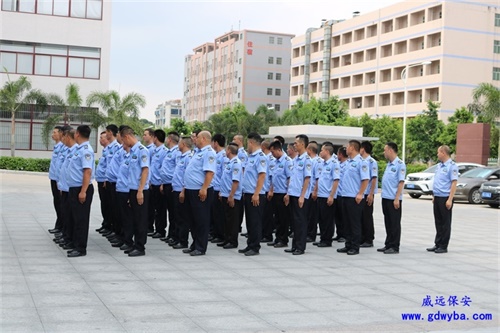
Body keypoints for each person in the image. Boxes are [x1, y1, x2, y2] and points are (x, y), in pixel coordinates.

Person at [181, 131, 216, 256]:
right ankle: (194, 244)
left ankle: (200, 247)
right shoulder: (197, 152)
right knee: (193, 220)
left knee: (201, 220)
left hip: (201, 190)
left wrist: (204, 188)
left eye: (197, 138)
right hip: (191, 189)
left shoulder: (209, 153)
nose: (194, 139)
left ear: (204, 138)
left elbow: (210, 173)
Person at [120, 127, 150, 257]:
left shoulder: (142, 151)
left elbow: (145, 171)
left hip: (140, 190)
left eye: (122, 140)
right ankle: (134, 244)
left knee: (140, 219)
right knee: (132, 219)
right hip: (132, 190)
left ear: (126, 137)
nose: (123, 144)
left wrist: (140, 190)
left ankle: (140, 247)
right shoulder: (133, 151)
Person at [66, 125, 95, 257]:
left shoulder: (86, 150)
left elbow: (87, 171)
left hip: (81, 188)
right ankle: (74, 243)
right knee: (74, 218)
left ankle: (80, 248)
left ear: (77, 134)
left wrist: (83, 191)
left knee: (81, 219)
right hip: (74, 187)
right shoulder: (79, 149)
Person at [337, 140, 369, 256]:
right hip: (345, 196)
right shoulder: (349, 162)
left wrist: (360, 194)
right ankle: (348, 244)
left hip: (354, 197)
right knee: (346, 223)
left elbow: (365, 179)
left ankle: (355, 247)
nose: (346, 149)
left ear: (353, 148)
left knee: (354, 223)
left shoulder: (361, 162)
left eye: (347, 147)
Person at [238, 132, 267, 256]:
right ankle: (250, 244)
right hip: (249, 193)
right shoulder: (252, 157)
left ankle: (255, 247)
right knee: (250, 221)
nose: (246, 146)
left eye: (247, 143)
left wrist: (256, 193)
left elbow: (262, 176)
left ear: (251, 142)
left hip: (256, 195)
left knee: (255, 221)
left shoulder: (260, 157)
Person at [427, 145, 458, 254]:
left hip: (445, 197)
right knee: (438, 221)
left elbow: (454, 183)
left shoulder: (452, 166)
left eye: (438, 152)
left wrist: (450, 199)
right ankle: (438, 243)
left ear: (443, 153)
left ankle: (443, 246)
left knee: (445, 222)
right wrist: (434, 196)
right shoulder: (439, 166)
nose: (437, 154)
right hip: (438, 196)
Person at [285, 134, 312, 255]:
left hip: (301, 196)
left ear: (302, 144)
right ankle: (294, 245)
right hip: (293, 194)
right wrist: (288, 193)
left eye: (296, 143)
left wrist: (302, 196)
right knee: (294, 221)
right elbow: (292, 178)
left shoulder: (307, 160)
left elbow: (307, 179)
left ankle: (300, 247)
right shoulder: (295, 159)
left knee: (300, 221)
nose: (294, 145)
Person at [379, 142, 406, 254]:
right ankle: (388, 244)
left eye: (385, 150)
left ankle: (394, 246)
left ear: (390, 150)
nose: (384, 152)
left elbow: (401, 182)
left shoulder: (400, 164)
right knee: (388, 222)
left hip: (393, 199)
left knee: (394, 223)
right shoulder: (389, 164)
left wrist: (397, 198)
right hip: (385, 197)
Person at [312, 144, 340, 247]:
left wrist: (332, 196)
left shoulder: (334, 164)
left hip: (328, 196)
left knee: (328, 219)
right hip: (320, 195)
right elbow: (318, 179)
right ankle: (323, 238)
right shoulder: (322, 164)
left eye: (322, 150)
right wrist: (315, 191)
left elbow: (336, 181)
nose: (320, 152)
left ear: (327, 151)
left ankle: (327, 240)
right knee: (322, 218)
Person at [268, 141, 293, 248]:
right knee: (277, 218)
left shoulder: (287, 161)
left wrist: (288, 193)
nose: (272, 154)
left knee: (284, 219)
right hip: (275, 193)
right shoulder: (275, 161)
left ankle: (283, 240)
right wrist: (271, 190)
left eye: (273, 152)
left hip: (283, 193)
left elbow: (290, 178)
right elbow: (274, 178)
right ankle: (278, 238)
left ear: (279, 149)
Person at [219, 142, 243, 249]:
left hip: (232, 196)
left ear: (229, 151)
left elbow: (235, 181)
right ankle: (226, 239)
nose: (225, 151)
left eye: (226, 150)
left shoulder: (236, 163)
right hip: (225, 194)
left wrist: (231, 195)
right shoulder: (230, 162)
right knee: (226, 219)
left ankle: (232, 241)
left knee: (232, 220)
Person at [171, 137, 193, 249]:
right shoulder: (181, 156)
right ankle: (177, 238)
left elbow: (187, 176)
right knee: (177, 216)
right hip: (176, 189)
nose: (178, 145)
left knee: (182, 217)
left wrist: (183, 191)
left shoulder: (188, 158)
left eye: (179, 143)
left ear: (183, 144)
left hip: (181, 190)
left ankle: (183, 241)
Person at [158, 131, 181, 242]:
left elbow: (177, 169)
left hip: (172, 185)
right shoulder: (170, 152)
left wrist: (173, 183)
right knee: (169, 211)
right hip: (166, 184)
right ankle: (170, 234)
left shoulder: (177, 152)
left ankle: (174, 235)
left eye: (167, 138)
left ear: (170, 139)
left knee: (174, 212)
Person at [148, 130, 168, 242]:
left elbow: (163, 169)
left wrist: (161, 183)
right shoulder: (155, 151)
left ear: (155, 138)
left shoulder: (164, 151)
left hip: (159, 183)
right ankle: (156, 228)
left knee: (161, 209)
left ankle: (161, 230)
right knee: (155, 208)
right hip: (153, 183)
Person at [360, 141, 378, 248]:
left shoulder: (372, 162)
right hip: (362, 193)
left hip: (368, 194)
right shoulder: (361, 161)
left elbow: (374, 178)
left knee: (367, 216)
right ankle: (362, 238)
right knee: (361, 216)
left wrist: (371, 193)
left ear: (363, 149)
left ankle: (369, 239)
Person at [210, 133, 227, 244]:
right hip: (213, 187)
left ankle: (220, 235)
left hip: (219, 189)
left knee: (219, 214)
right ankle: (214, 233)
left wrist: (221, 189)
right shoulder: (215, 155)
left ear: (215, 143)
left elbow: (225, 175)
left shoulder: (224, 156)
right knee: (214, 213)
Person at [48, 126, 64, 234]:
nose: (52, 134)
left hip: (59, 180)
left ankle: (61, 226)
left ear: (61, 134)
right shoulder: (57, 147)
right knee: (57, 202)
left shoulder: (63, 147)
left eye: (55, 132)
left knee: (60, 204)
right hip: (54, 178)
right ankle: (59, 225)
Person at [306, 142, 322, 243]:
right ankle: (307, 232)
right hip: (307, 191)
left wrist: (315, 191)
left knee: (313, 215)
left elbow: (318, 178)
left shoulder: (318, 161)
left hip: (313, 191)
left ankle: (312, 234)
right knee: (307, 214)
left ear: (310, 150)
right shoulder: (308, 160)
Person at [95, 131, 110, 235]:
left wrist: (106, 178)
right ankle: (105, 223)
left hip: (105, 181)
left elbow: (109, 166)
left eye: (102, 138)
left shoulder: (111, 150)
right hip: (100, 180)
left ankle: (109, 225)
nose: (100, 140)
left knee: (107, 204)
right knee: (103, 204)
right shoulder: (105, 150)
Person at [260, 140, 275, 243]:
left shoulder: (270, 158)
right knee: (264, 214)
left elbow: (272, 176)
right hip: (264, 189)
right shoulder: (266, 158)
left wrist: (271, 189)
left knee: (268, 215)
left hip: (267, 189)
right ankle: (263, 233)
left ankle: (267, 235)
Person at [333, 147, 348, 242]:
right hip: (337, 193)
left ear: (340, 155)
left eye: (338, 154)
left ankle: (344, 235)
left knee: (343, 217)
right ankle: (339, 234)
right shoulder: (338, 164)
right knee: (337, 216)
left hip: (343, 193)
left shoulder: (348, 165)